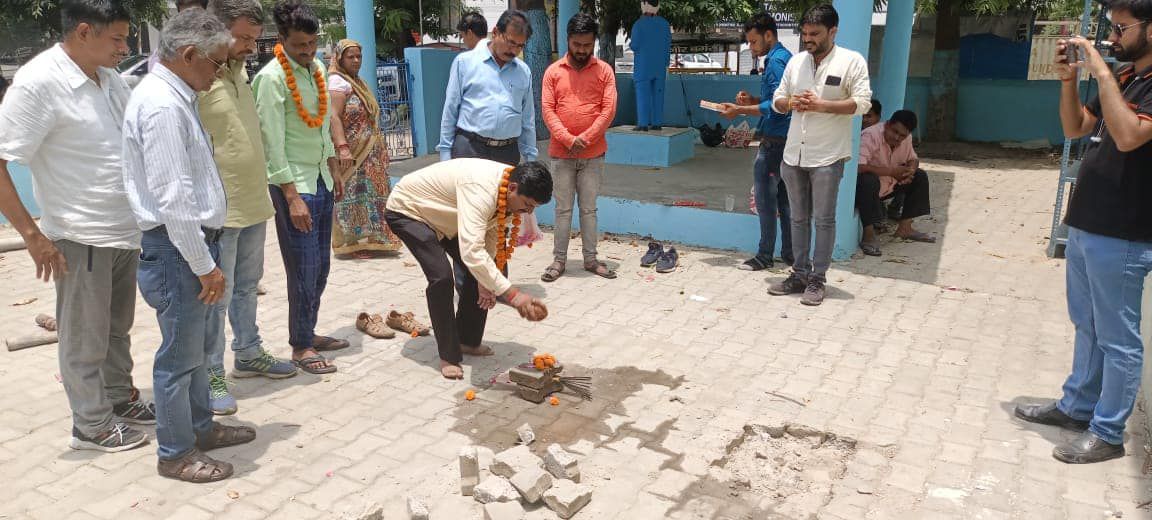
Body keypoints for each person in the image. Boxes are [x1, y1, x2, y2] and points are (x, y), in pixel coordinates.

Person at [0, 0, 154, 453]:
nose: (126, 48)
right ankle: (89, 425)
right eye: (119, 39)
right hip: (79, 233)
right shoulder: (39, 82)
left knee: (114, 328)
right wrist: (33, 236)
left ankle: (115, 398)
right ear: (84, 32)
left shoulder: (108, 80)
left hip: (123, 229)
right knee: (84, 337)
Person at [1014, 0, 1152, 465]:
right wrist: (1071, 82)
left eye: (1122, 27)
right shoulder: (1130, 77)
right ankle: (1077, 407)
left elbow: (1131, 134)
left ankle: (1109, 431)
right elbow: (1076, 126)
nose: (1112, 37)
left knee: (1118, 338)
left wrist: (1104, 73)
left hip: (1126, 231)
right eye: (1111, 27)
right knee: (1087, 325)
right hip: (1089, 223)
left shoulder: (1138, 83)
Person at [122, 8, 256, 483]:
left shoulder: (176, 96)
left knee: (198, 352)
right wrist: (204, 266)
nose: (220, 72)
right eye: (216, 63)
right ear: (188, 55)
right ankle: (176, 453)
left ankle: (200, 429)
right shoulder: (160, 104)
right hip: (180, 250)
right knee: (179, 358)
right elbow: (173, 199)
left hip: (192, 248)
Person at [198, 0, 298, 416]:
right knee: (216, 297)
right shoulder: (198, 78)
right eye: (241, 38)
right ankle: (209, 373)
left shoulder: (240, 74)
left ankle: (248, 352)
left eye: (254, 40)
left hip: (254, 202)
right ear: (215, 31)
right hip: (220, 210)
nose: (249, 47)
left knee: (246, 285)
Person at [385, 159, 552, 380]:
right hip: (410, 211)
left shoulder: (508, 191)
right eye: (527, 204)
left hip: (448, 219)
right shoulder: (481, 190)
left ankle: (467, 340)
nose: (528, 212)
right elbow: (472, 251)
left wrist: (485, 281)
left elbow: (490, 234)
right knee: (442, 278)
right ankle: (448, 355)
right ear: (513, 188)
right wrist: (513, 296)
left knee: (486, 271)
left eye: (534, 208)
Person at [254, 0, 344, 375]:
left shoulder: (319, 69)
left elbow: (324, 124)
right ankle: (301, 346)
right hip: (295, 188)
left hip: (321, 179)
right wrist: (291, 197)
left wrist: (335, 167)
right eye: (299, 46)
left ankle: (308, 330)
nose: (307, 52)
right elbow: (271, 143)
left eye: (312, 44)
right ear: (282, 39)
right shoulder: (272, 78)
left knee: (321, 266)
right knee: (302, 269)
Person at [768, 4, 871, 306]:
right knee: (798, 218)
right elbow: (777, 99)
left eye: (815, 34)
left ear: (832, 31)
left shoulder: (851, 61)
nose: (808, 39)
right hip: (794, 155)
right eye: (805, 34)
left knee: (823, 220)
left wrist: (822, 105)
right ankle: (799, 274)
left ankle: (817, 280)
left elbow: (862, 103)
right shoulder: (796, 62)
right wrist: (790, 103)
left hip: (828, 156)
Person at [539, 13, 618, 282]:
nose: (582, 50)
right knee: (562, 210)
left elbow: (608, 110)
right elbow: (548, 110)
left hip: (593, 155)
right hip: (561, 155)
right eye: (577, 44)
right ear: (568, 41)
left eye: (587, 45)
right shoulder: (553, 72)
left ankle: (591, 259)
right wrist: (567, 139)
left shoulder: (605, 71)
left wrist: (586, 137)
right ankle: (558, 261)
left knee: (589, 209)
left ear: (594, 42)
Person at [719, 12, 794, 271]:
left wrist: (738, 111)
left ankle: (764, 256)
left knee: (765, 200)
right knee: (784, 200)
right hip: (786, 138)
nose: (751, 47)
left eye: (753, 42)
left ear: (768, 35)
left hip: (775, 139)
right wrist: (751, 101)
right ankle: (790, 253)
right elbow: (776, 99)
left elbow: (776, 107)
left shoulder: (775, 62)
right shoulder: (785, 58)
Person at [328, 39, 403, 259]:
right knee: (353, 194)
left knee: (372, 194)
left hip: (370, 153)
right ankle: (352, 244)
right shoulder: (336, 82)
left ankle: (376, 239)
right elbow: (334, 117)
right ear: (340, 58)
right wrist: (343, 148)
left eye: (359, 56)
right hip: (352, 151)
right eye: (350, 56)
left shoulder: (356, 81)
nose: (356, 60)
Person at [438, 10, 537, 166]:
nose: (514, 51)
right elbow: (450, 109)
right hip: (470, 149)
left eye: (520, 46)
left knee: (502, 191)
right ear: (496, 32)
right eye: (511, 42)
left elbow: (527, 119)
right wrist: (445, 153)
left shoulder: (523, 72)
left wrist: (531, 158)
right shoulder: (465, 62)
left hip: (507, 153)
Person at [854, 110, 934, 257]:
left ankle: (905, 228)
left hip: (889, 186)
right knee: (867, 180)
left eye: (902, 135)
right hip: (868, 191)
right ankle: (868, 233)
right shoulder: (870, 135)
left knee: (920, 176)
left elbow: (913, 158)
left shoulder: (906, 139)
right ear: (887, 125)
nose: (897, 138)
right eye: (894, 131)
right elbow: (858, 167)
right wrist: (891, 172)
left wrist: (910, 170)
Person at [629, 0, 670, 131]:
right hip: (660, 67)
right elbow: (668, 45)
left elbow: (634, 45)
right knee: (658, 95)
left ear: (644, 5)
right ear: (658, 7)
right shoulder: (665, 24)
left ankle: (643, 124)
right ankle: (657, 123)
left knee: (643, 95)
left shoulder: (638, 24)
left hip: (643, 67)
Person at [147, 0, 208, 71]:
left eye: (195, 16)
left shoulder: (217, 45)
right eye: (185, 17)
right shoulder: (164, 54)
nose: (190, 22)